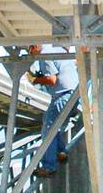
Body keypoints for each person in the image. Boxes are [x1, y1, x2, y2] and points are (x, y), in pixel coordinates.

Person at [27, 44, 78, 178]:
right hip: (74, 94)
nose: (31, 53)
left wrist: (35, 79)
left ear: (35, 46)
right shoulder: (59, 50)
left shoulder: (45, 55)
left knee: (48, 130)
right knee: (54, 127)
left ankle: (49, 167)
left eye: (30, 49)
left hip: (62, 95)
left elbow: (51, 79)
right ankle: (60, 152)